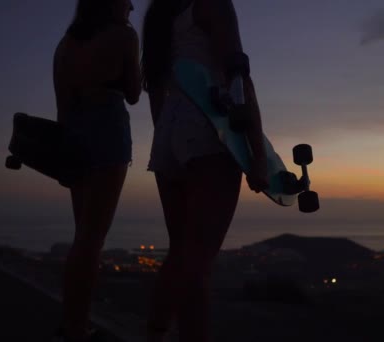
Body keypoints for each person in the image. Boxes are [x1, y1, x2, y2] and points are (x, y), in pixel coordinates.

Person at [141, 0, 268, 341]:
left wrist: (170, 141)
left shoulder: (160, 17)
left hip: (168, 132)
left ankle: (154, 334)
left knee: (180, 254)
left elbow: (156, 94)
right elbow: (238, 75)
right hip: (209, 128)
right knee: (198, 265)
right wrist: (258, 155)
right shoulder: (212, 4)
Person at [53, 0, 140, 341]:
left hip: (74, 132)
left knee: (82, 238)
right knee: (92, 241)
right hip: (107, 127)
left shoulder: (65, 45)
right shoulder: (124, 35)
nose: (132, 6)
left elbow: (63, 107)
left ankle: (71, 322)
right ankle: (76, 329)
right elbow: (133, 93)